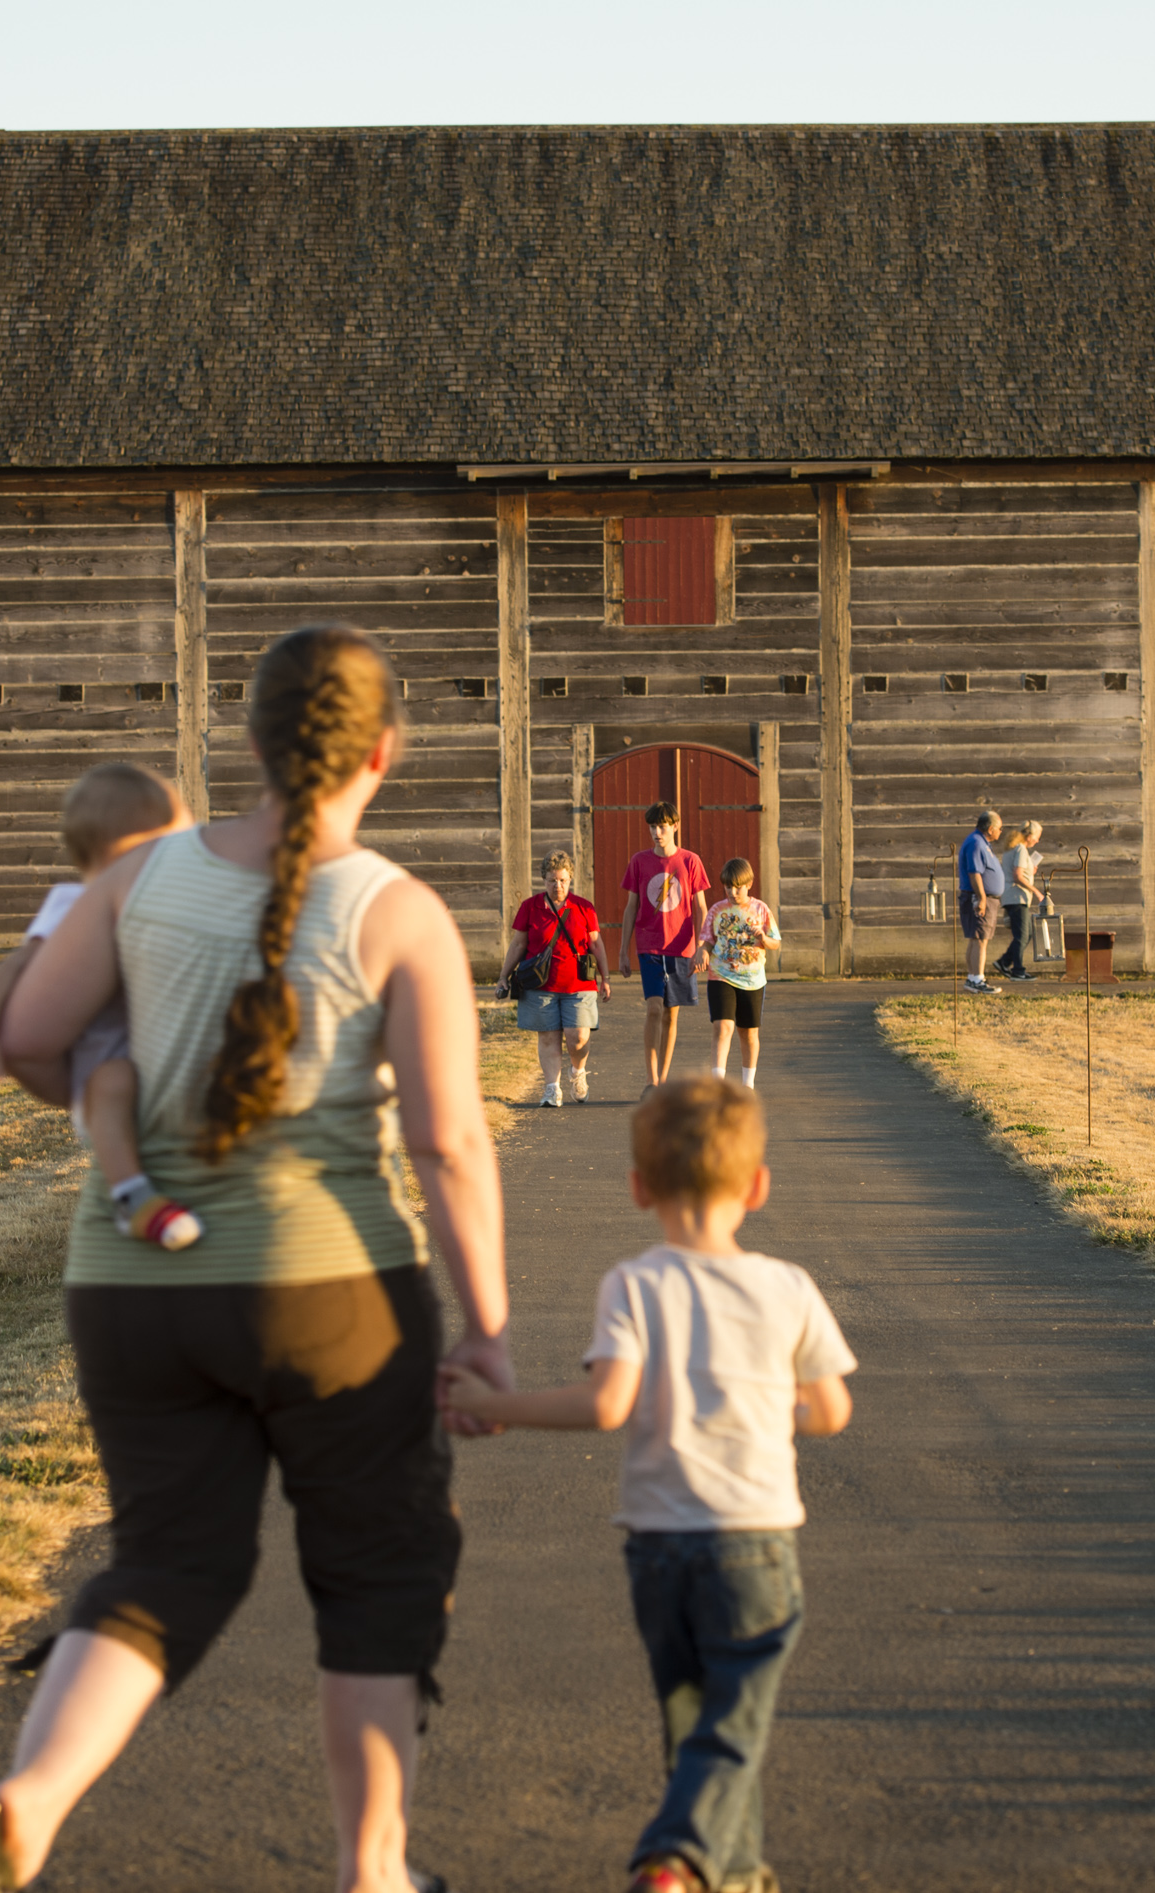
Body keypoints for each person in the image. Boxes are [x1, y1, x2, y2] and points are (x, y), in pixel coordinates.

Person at [0, 624, 511, 1893]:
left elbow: (38, 1039)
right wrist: (486, 1322)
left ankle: (24, 1807)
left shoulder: (137, 877)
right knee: (378, 1571)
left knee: (164, 1561)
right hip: (332, 1292)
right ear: (386, 750)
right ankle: (374, 1872)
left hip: (132, 1286)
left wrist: (122, 1098)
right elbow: (446, 1139)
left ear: (250, 743)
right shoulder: (397, 909)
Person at [442, 1078, 853, 1893]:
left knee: (694, 1720)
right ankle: (675, 1862)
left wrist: (498, 1405)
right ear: (758, 1186)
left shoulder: (633, 1283)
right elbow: (831, 1410)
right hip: (755, 1540)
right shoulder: (788, 1287)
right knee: (736, 1722)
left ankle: (731, 1874)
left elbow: (606, 1405)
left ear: (638, 1188)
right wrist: (772, 1407)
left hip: (659, 1544)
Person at [0, 763, 199, 1247]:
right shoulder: (75, 903)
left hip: (154, 1063)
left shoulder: (158, 903)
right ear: (128, 851)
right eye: (174, 845)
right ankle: (132, 1196)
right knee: (115, 1081)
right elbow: (13, 967)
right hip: (104, 1074)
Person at [507, 848, 610, 1107]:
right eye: (552, 880)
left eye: (563, 880)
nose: (558, 885)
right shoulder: (530, 907)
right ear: (543, 879)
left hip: (579, 984)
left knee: (578, 1038)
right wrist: (502, 976)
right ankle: (552, 1089)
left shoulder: (584, 908)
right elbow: (518, 945)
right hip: (541, 985)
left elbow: (596, 946)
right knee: (548, 1037)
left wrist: (606, 977)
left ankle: (577, 1073)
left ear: (570, 879)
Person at [618, 803, 711, 1089]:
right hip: (649, 947)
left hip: (682, 948)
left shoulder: (690, 861)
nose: (657, 833)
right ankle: (651, 1079)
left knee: (672, 1012)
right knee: (654, 1009)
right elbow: (631, 906)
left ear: (675, 826)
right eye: (652, 827)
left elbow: (701, 908)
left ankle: (663, 1079)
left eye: (662, 827)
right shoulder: (639, 861)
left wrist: (702, 946)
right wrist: (623, 950)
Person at [697, 858, 778, 1089]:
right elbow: (707, 941)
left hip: (752, 980)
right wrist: (702, 951)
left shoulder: (761, 909)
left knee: (748, 1033)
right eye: (728, 887)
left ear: (749, 884)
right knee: (723, 1027)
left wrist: (764, 939)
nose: (732, 892)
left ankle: (747, 1085)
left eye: (738, 887)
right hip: (721, 976)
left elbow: (775, 943)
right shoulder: (717, 910)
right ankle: (718, 1086)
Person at [956, 810, 1006, 994]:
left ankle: (973, 977)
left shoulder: (981, 843)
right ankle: (977, 978)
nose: (1001, 832)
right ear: (990, 828)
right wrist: (983, 898)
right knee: (980, 939)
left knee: (976, 939)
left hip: (982, 897)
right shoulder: (976, 843)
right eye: (1000, 828)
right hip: (978, 898)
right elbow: (974, 872)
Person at [993, 820, 1045, 983]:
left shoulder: (1012, 849)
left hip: (1012, 896)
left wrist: (1031, 869)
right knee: (1022, 935)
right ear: (1029, 836)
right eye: (1036, 837)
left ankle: (1004, 962)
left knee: (1026, 933)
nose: (1037, 841)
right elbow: (1017, 875)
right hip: (1017, 897)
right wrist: (1036, 890)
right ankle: (1017, 970)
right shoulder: (1021, 850)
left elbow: (1014, 872)